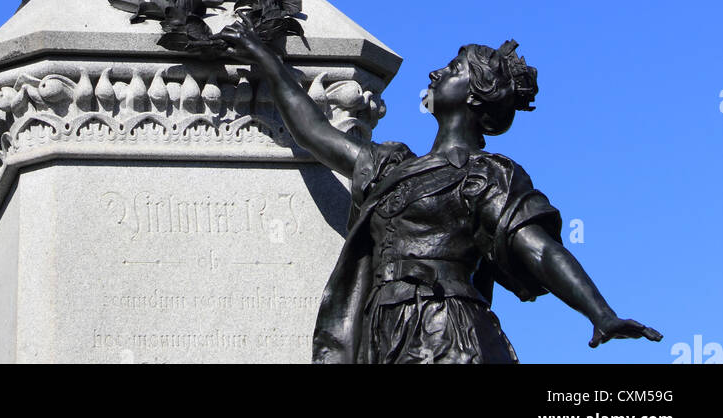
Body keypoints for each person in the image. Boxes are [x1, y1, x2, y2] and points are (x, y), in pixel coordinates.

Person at [221, 26, 662, 364]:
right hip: (382, 329)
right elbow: (314, 133)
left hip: (445, 326)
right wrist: (267, 60)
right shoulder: (392, 164)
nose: (436, 73)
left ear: (475, 96)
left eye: (452, 69)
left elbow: (540, 251)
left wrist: (599, 312)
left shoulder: (487, 174)